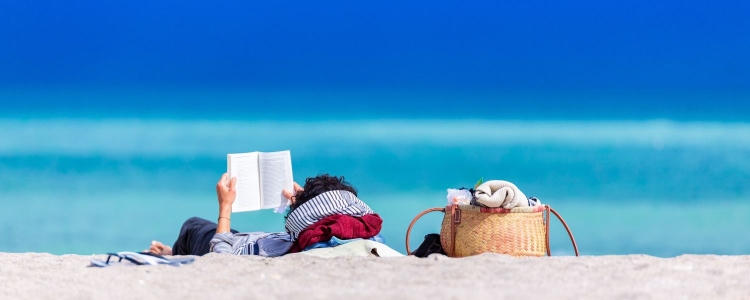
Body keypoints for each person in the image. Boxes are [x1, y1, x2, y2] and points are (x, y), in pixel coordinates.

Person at [148, 173, 383, 256]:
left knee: (193, 226)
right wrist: (304, 202)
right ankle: (175, 250)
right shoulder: (364, 232)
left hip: (241, 246)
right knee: (236, 234)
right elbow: (329, 214)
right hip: (257, 241)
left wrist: (225, 207)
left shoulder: (301, 246)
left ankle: (173, 253)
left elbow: (220, 255)